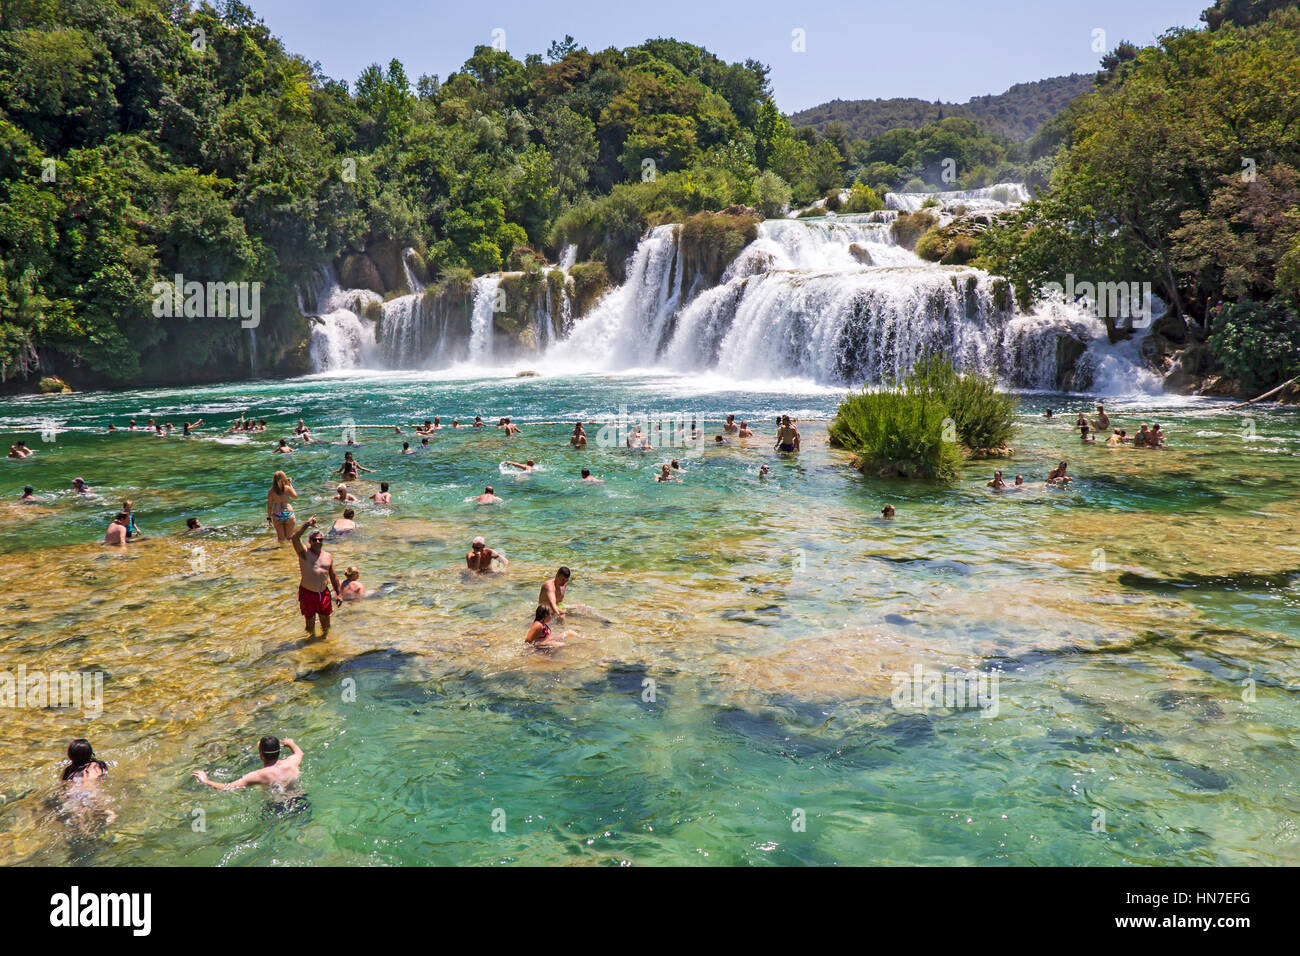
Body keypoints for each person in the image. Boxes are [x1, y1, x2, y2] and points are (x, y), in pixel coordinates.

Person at [193, 737, 304, 791]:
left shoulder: (257, 775)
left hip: (278, 807)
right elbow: (299, 753)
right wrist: (291, 744)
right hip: (300, 801)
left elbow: (227, 787)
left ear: (261, 755)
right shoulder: (292, 762)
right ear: (279, 751)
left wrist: (205, 780)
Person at [291, 518, 340, 637]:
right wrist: (307, 524)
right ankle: (310, 644)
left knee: (326, 623)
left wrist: (339, 593)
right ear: (310, 541)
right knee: (310, 624)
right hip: (308, 593)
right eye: (314, 540)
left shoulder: (328, 556)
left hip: (324, 593)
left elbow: (333, 576)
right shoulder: (304, 553)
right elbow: (294, 538)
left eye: (320, 539)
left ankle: (325, 643)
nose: (318, 542)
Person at [267, 471, 297, 542]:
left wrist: (269, 518)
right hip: (289, 514)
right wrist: (290, 485)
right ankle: (289, 551)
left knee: (281, 539)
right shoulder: (287, 488)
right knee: (289, 538)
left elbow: (269, 506)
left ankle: (281, 551)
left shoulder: (271, 491)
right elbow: (295, 496)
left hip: (277, 515)